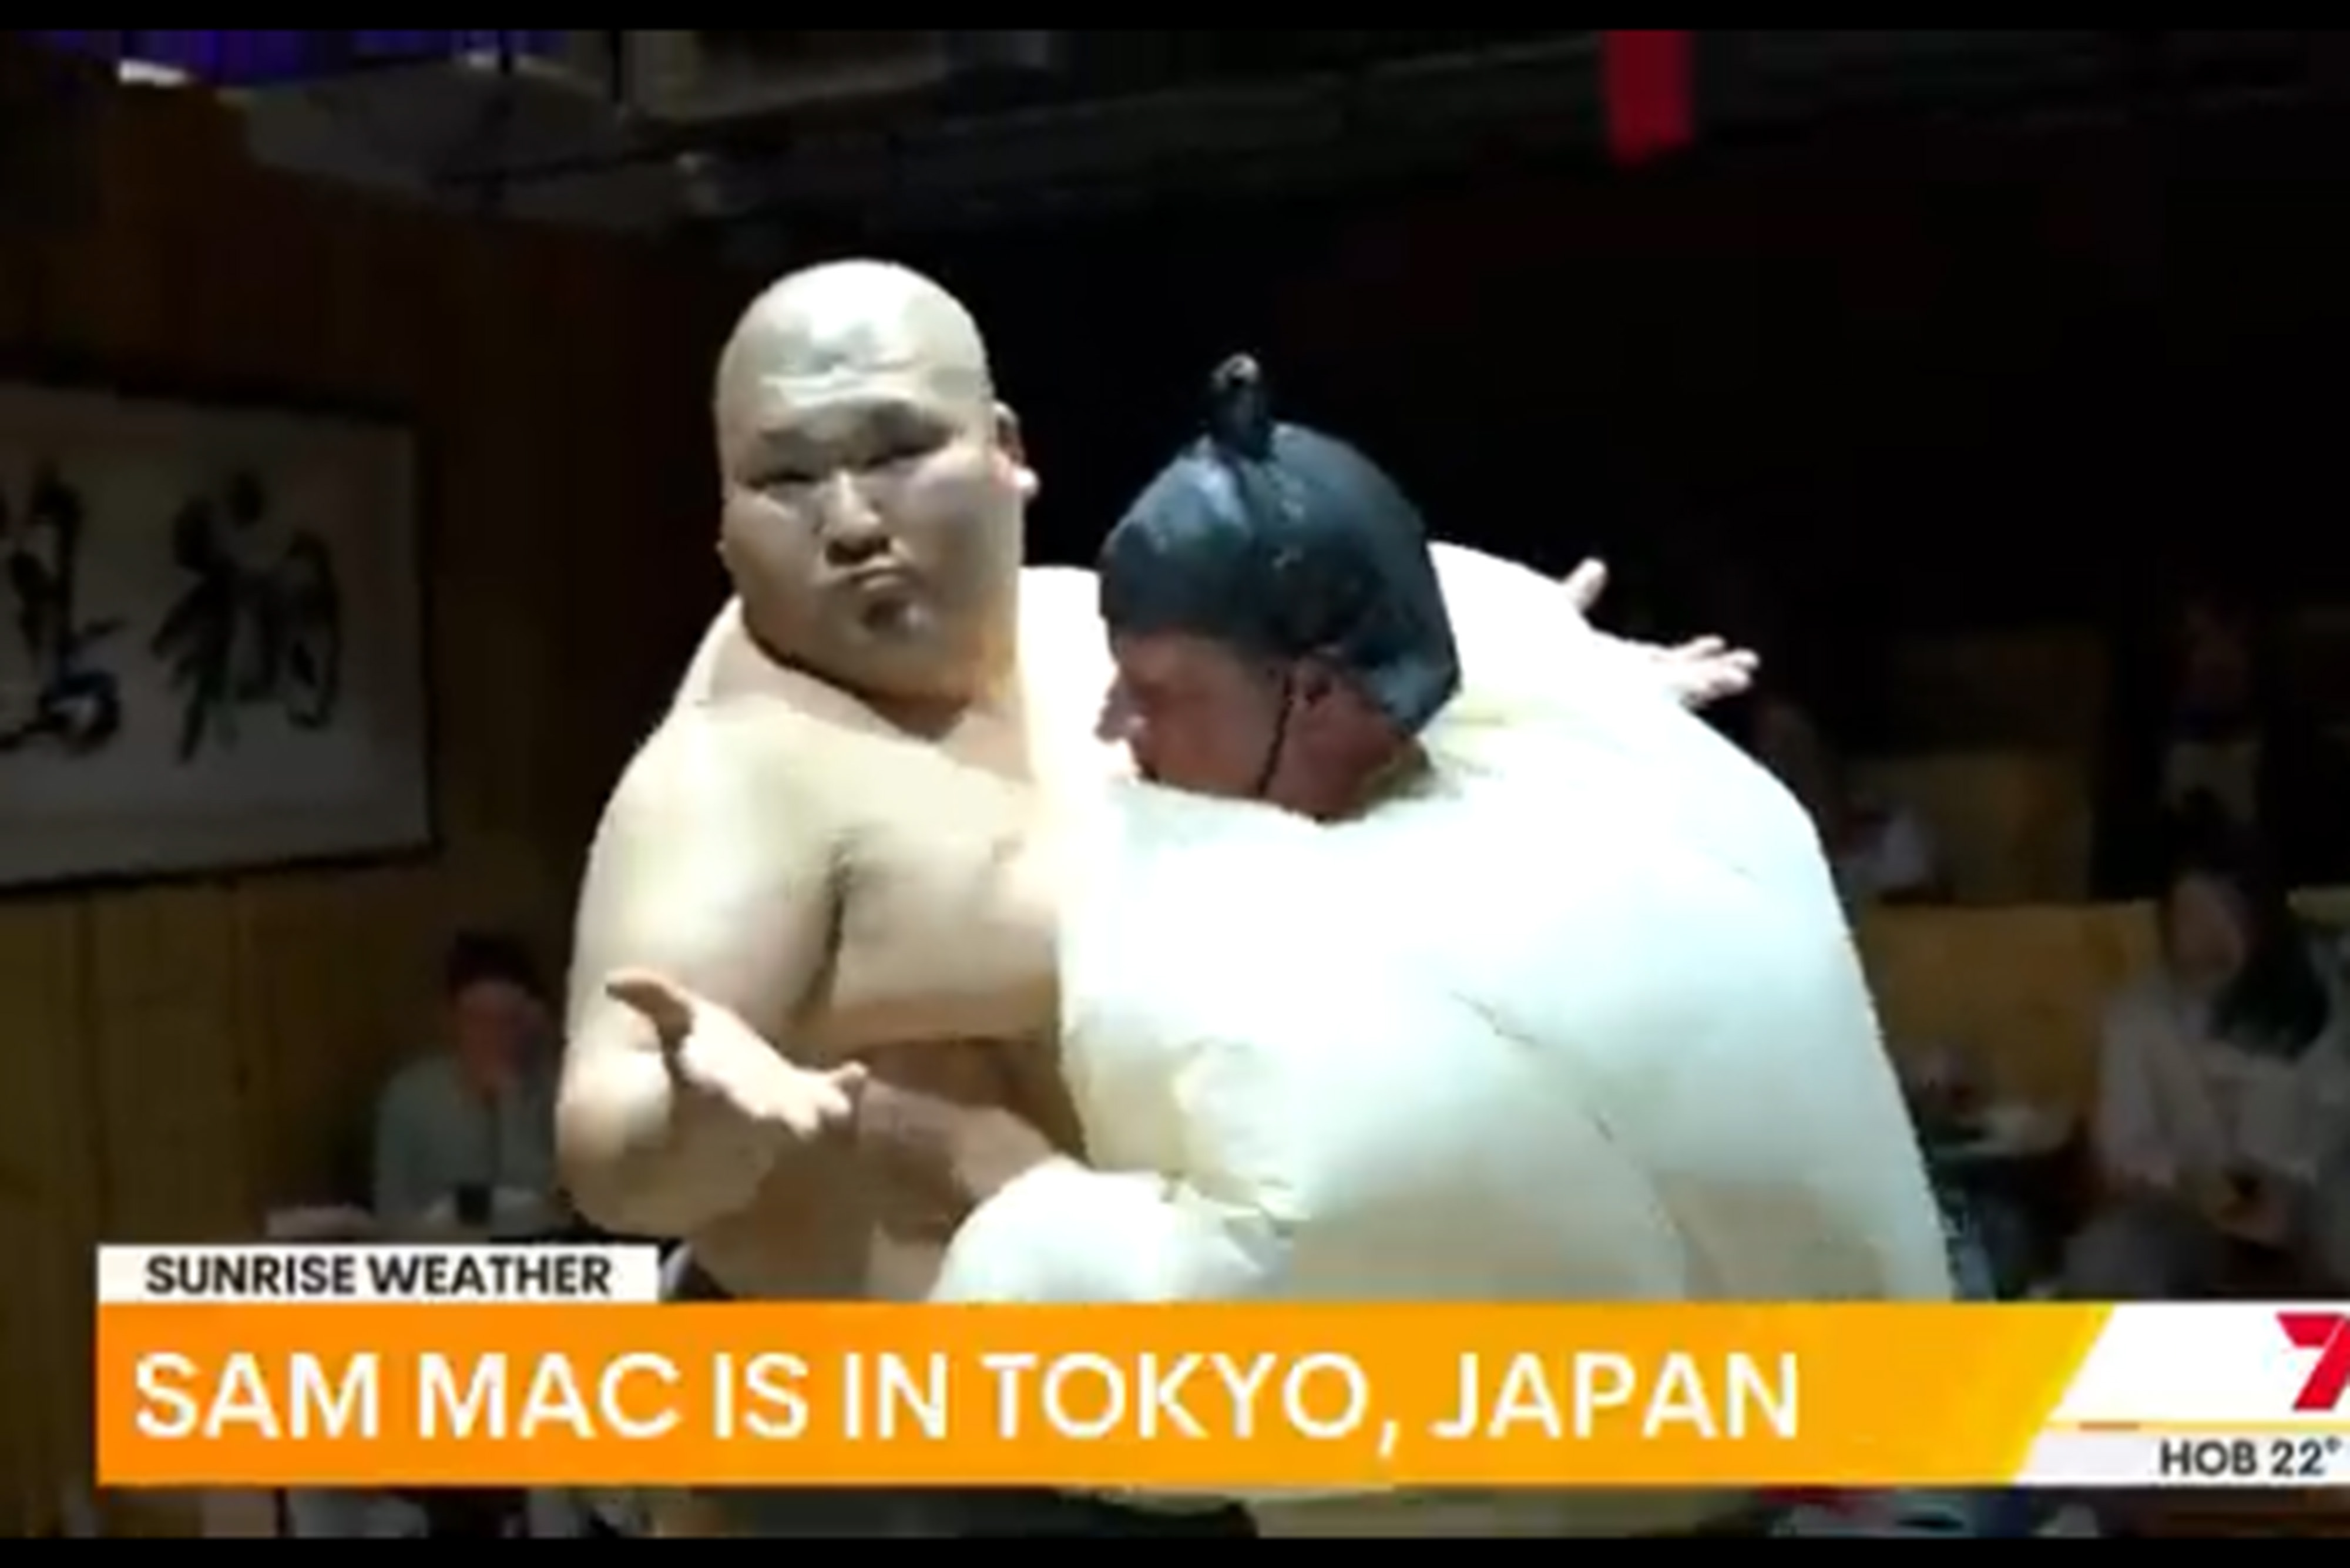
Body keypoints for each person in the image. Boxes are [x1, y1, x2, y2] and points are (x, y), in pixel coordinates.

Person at [557, 263, 1762, 1537]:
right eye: (785, 477)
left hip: (1193, 1401)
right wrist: (706, 1119)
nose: (849, 519)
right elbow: (612, 1135)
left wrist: (1536, 675)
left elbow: (1346, 637)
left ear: (1006, 450)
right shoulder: (734, 782)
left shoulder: (1093, 621)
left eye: (896, 449)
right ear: (723, 516)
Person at [842, 357, 1952, 1537]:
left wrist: (984, 1169)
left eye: (1156, 690)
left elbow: (1184, 1356)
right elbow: (1487, 617)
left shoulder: (1328, 1031)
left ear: (1320, 696)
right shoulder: (1639, 763)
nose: (1114, 726)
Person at [2065, 833, 2350, 1298]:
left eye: (2223, 913)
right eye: (2189, 915)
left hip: (2309, 1198)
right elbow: (2120, 1147)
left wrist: (2290, 1186)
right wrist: (2193, 1183)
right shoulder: (2137, 1016)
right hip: (2185, 1211)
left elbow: (2337, 1111)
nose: (2204, 934)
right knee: (2106, 1256)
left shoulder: (2311, 995)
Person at [374, 931, 560, 1235]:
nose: (493, 1036)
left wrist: (512, 1107)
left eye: (508, 1020)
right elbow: (391, 1217)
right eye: (477, 1019)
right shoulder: (410, 1097)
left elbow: (549, 1209)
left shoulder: (553, 1092)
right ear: (452, 1021)